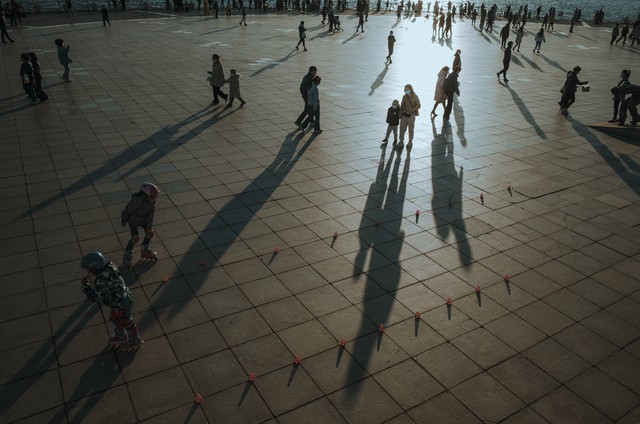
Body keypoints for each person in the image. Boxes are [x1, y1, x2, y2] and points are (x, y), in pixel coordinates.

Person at [80, 251, 143, 351]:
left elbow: (94, 297)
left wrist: (85, 285)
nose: (88, 271)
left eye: (90, 269)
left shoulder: (100, 281)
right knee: (114, 317)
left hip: (120, 303)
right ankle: (121, 335)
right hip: (122, 298)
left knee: (126, 320)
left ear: (96, 268)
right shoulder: (111, 266)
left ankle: (135, 339)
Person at [121, 182, 159, 267]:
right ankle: (127, 253)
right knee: (135, 238)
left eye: (156, 195)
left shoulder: (152, 204)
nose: (155, 198)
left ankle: (145, 249)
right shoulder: (136, 202)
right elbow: (127, 210)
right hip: (134, 220)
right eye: (152, 196)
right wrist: (124, 219)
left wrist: (148, 228)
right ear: (144, 195)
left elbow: (150, 218)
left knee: (151, 233)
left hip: (144, 220)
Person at [397, 84, 421, 149]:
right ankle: (401, 141)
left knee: (411, 128)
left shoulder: (415, 97)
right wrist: (400, 114)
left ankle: (410, 141)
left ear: (410, 89)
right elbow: (402, 105)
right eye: (405, 89)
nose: (406, 91)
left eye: (407, 89)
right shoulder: (404, 97)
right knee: (402, 128)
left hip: (411, 115)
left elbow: (418, 105)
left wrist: (412, 110)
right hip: (404, 114)